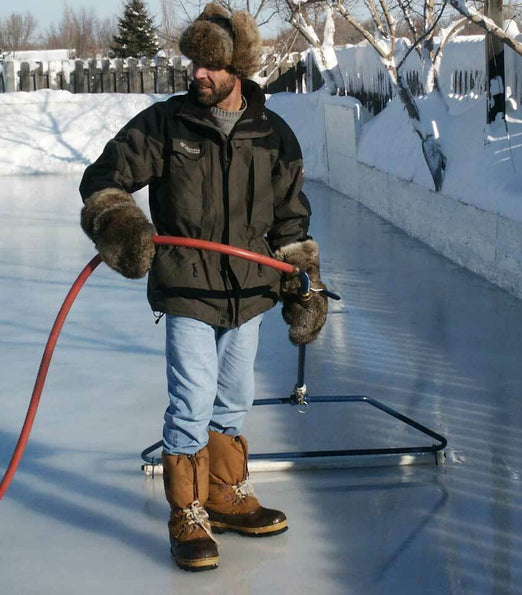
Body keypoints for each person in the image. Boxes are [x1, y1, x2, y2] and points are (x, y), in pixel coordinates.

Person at [79, 3, 327, 572]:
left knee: (232, 400)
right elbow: (103, 180)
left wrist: (304, 285)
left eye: (211, 66)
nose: (198, 75)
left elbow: (291, 221)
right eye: (194, 63)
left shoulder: (273, 134)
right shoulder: (166, 124)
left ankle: (224, 494)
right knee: (191, 401)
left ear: (238, 67)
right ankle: (186, 512)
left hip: (251, 290)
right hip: (189, 285)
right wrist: (121, 224)